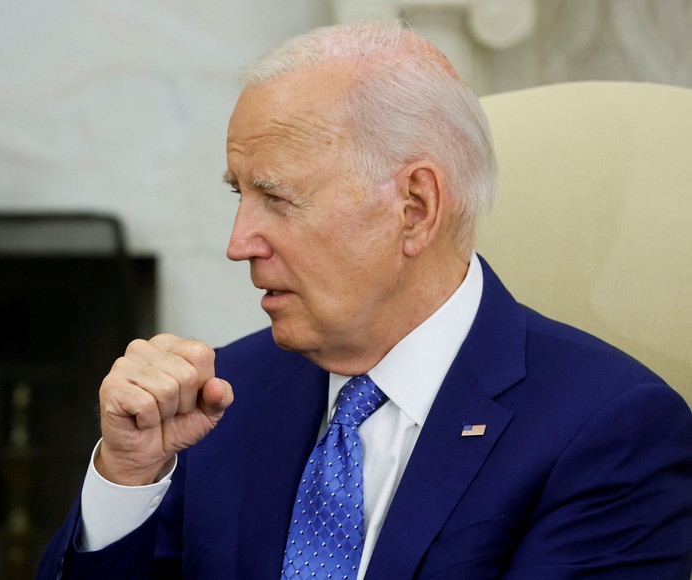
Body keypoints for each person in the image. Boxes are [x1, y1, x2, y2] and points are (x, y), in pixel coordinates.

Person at [38, 19, 692, 579]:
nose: (239, 243)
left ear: (415, 208)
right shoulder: (215, 401)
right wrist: (128, 477)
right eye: (238, 195)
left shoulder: (609, 429)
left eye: (278, 198)